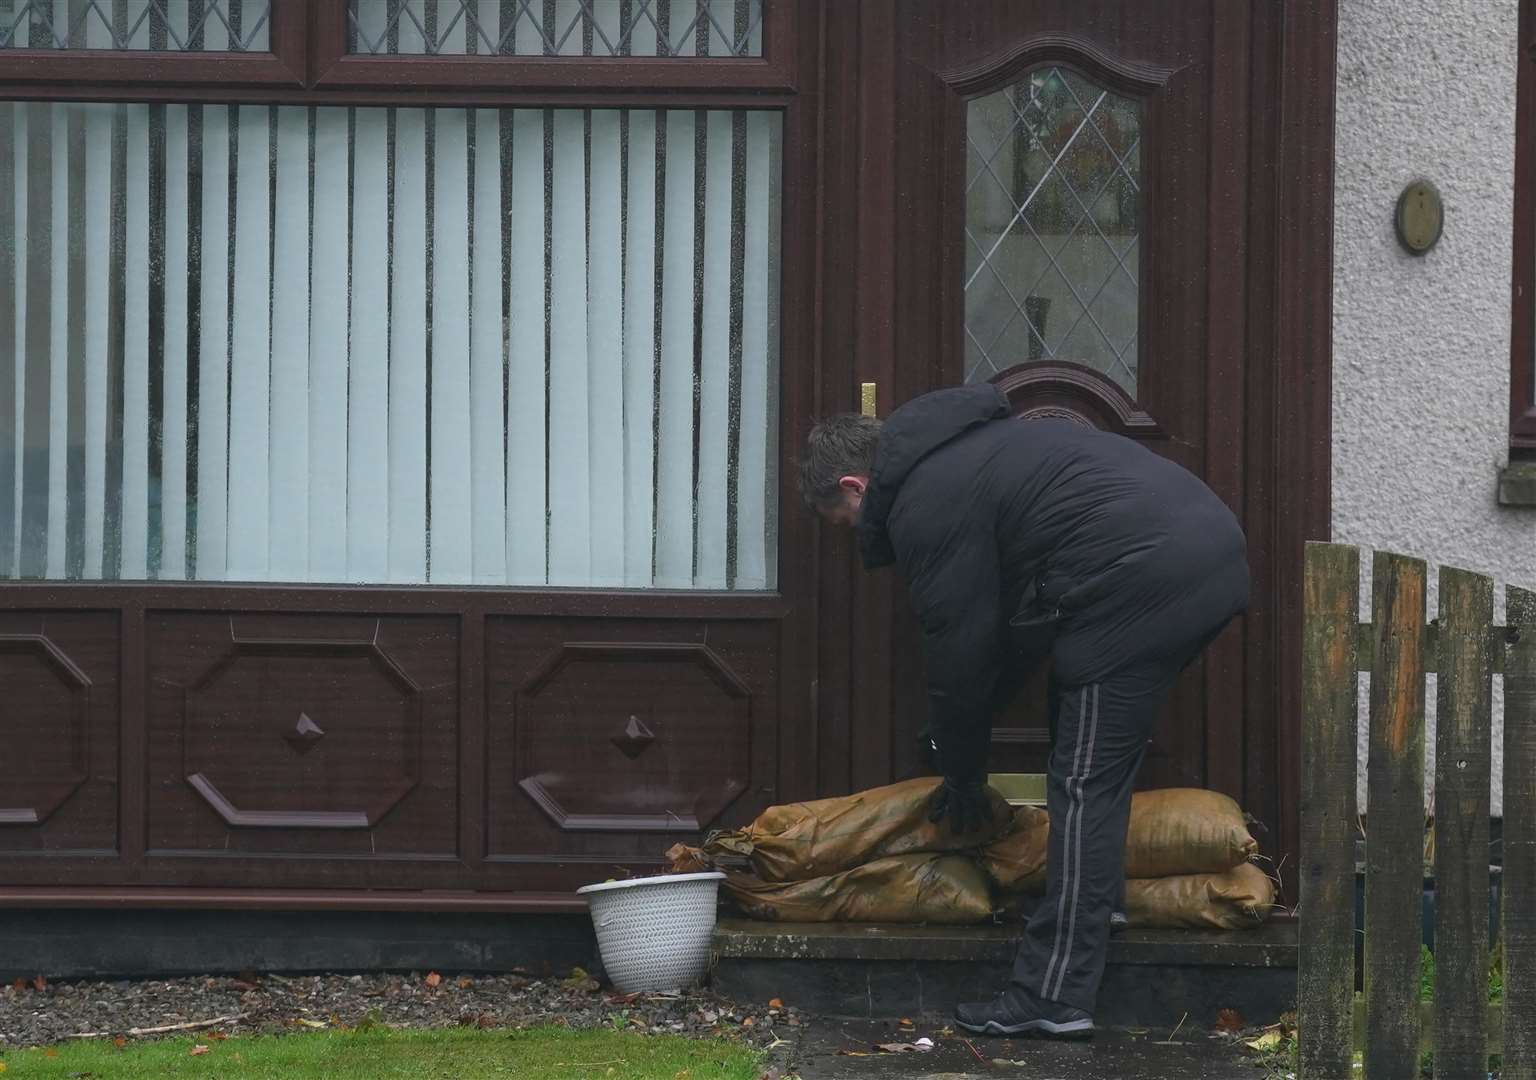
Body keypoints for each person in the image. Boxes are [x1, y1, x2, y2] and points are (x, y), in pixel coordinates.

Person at [799, 383, 1249, 1039]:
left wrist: (959, 774)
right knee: (1089, 744)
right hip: (1188, 558)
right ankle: (1094, 906)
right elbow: (1004, 637)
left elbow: (961, 652)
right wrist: (958, 751)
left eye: (844, 520)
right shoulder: (966, 456)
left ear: (855, 484)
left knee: (1082, 779)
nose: (856, 536)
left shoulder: (927, 499)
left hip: (1147, 574)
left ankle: (1054, 993)